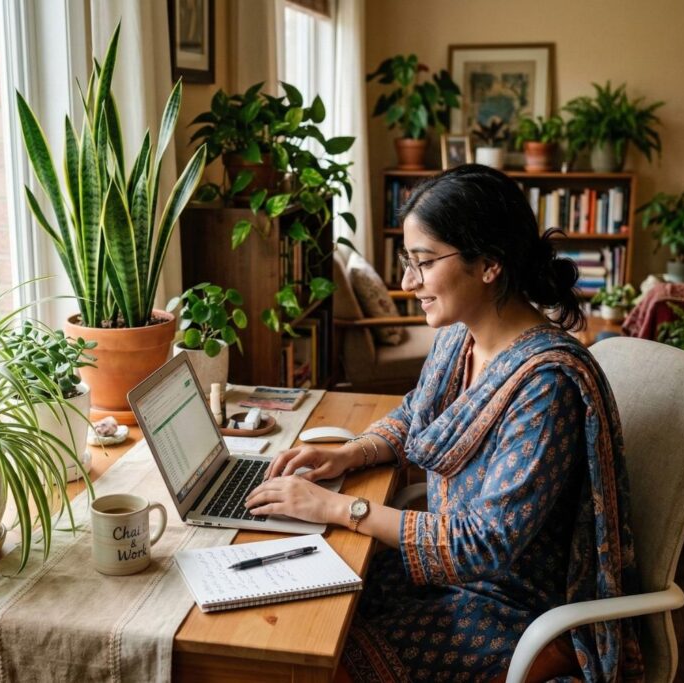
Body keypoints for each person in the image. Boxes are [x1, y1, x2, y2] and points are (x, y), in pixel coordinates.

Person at [245, 165, 643, 682]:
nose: (409, 282)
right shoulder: (462, 337)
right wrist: (351, 453)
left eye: (423, 263)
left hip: (513, 604)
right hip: (446, 572)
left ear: (489, 264)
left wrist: (340, 506)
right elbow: (417, 412)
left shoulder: (546, 386)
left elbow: (484, 545)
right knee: (298, 608)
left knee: (324, 656)